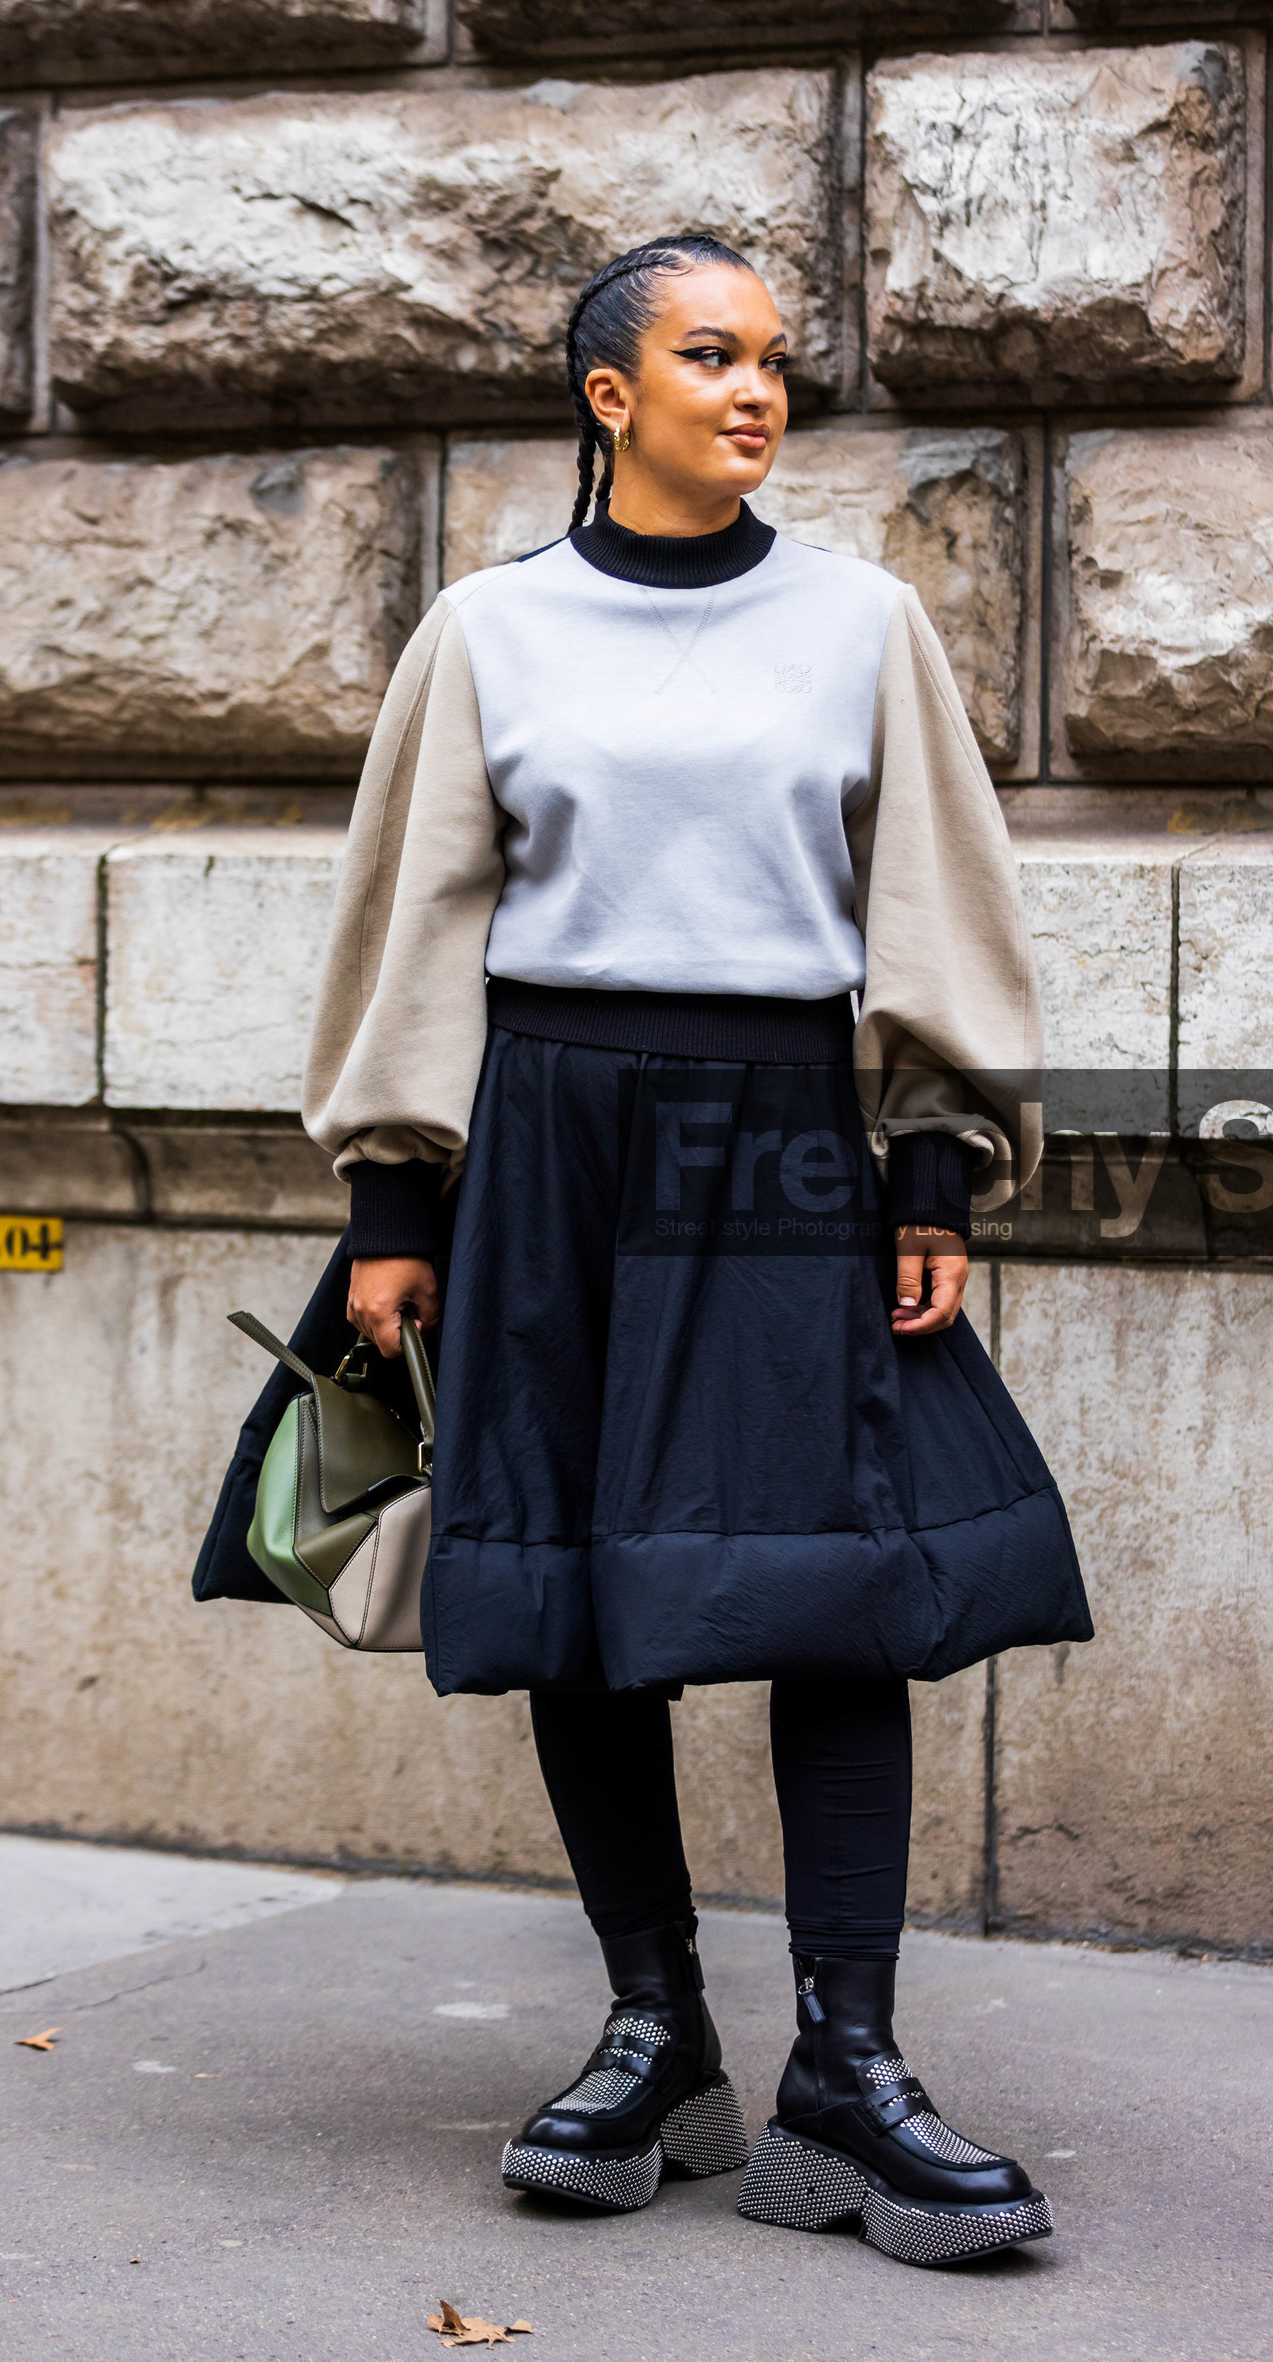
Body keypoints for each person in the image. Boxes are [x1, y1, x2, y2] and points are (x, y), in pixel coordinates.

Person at [299, 233, 1090, 2266]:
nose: (753, 391)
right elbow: (416, 921)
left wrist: (932, 1169)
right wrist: (396, 1211)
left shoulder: (859, 624)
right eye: (706, 355)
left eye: (771, 362)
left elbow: (927, 895)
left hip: (775, 1132)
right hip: (546, 1135)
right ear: (605, 394)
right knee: (572, 1584)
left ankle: (849, 2061)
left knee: (837, 1583)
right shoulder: (491, 630)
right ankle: (653, 2033)